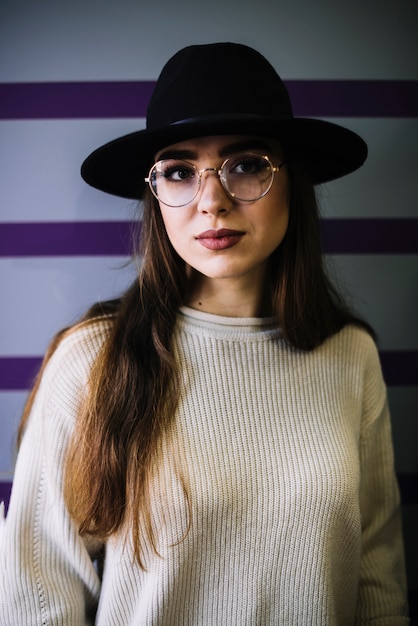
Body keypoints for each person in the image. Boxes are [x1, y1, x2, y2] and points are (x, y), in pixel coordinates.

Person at [0, 42, 409, 625]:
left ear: (292, 180)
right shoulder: (91, 359)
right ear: (156, 194)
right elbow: (34, 599)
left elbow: (378, 584)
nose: (211, 202)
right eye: (178, 172)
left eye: (246, 165)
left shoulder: (351, 355)